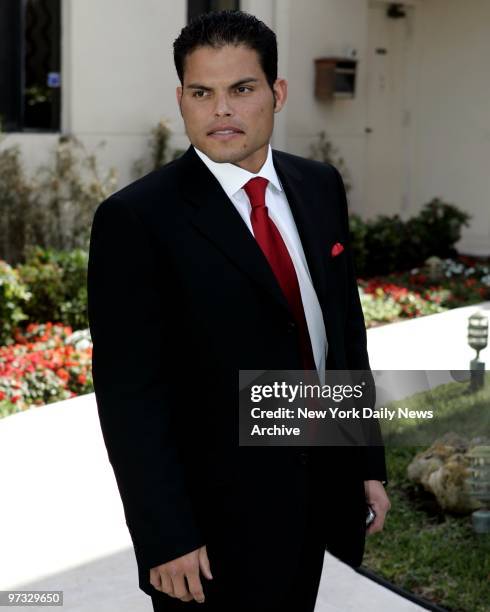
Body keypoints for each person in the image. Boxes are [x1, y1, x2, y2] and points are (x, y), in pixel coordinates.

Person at [87, 10, 390, 612]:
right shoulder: (137, 220)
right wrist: (165, 534)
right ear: (181, 99)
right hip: (209, 534)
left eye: (241, 89)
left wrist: (363, 461)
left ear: (276, 93)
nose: (220, 109)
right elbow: (130, 397)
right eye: (202, 92)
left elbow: (341, 336)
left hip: (316, 501)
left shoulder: (319, 186)